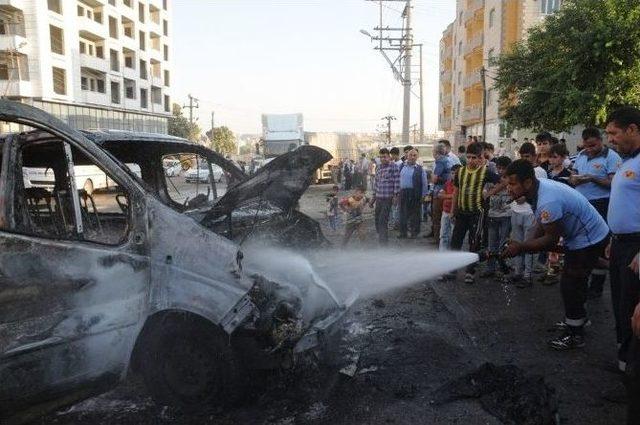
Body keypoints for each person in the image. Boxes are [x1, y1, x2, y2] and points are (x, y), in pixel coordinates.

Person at [502, 160, 609, 350]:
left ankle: (575, 335)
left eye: (512, 184)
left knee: (570, 284)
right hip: (580, 236)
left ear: (527, 182)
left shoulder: (547, 200)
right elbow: (539, 225)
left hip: (588, 237)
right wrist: (525, 244)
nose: (508, 189)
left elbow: (551, 239)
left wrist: (521, 247)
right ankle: (578, 319)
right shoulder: (537, 192)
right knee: (578, 276)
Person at [601, 107, 640, 383]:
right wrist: (613, 239)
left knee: (632, 308)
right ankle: (624, 362)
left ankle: (632, 374)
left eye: (614, 133)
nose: (610, 140)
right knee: (619, 304)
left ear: (632, 130)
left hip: (636, 247)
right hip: (620, 244)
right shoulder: (627, 161)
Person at [570, 127, 622, 299]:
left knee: (599, 245)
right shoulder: (581, 155)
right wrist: (573, 179)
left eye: (593, 145)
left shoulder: (612, 157)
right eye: (587, 145)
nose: (590, 149)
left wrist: (592, 178)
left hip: (601, 204)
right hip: (582, 204)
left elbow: (613, 184)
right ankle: (582, 281)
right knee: (583, 244)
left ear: (600, 140)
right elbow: (574, 174)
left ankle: (597, 287)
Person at [450, 142, 502, 284]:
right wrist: (452, 210)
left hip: (477, 214)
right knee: (455, 241)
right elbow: (456, 191)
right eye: (469, 157)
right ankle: (451, 270)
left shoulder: (485, 172)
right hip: (461, 212)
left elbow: (503, 182)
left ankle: (470, 271)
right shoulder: (460, 171)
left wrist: (489, 193)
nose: (471, 160)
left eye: (474, 157)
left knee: (474, 243)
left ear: (480, 158)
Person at [510, 142, 548, 286]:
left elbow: (539, 192)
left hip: (530, 213)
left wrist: (525, 197)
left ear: (534, 156)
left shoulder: (539, 172)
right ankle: (518, 272)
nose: (525, 159)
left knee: (529, 244)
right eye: (522, 156)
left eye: (527, 156)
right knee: (516, 242)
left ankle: (528, 275)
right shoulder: (517, 170)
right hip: (516, 211)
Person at [481, 156, 512, 278]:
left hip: (506, 215)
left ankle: (502, 268)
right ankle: (490, 268)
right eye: (498, 168)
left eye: (503, 168)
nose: (500, 171)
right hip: (492, 215)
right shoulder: (492, 179)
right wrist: (488, 192)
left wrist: (492, 191)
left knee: (503, 244)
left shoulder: (511, 180)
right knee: (491, 243)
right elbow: (484, 193)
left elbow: (508, 188)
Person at [369, 148, 400, 245]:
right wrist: (373, 199)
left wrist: (395, 196)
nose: (383, 159)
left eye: (385, 157)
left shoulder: (393, 167)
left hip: (388, 198)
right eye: (381, 157)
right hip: (379, 198)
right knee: (377, 219)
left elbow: (397, 182)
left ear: (389, 156)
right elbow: (376, 184)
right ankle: (381, 236)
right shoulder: (378, 168)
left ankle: (383, 244)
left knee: (383, 219)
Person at [398, 148, 428, 239]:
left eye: (415, 155)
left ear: (417, 157)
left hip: (415, 193)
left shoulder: (420, 169)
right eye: (411, 155)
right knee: (403, 213)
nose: (412, 157)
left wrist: (424, 195)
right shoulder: (401, 166)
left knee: (415, 214)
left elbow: (424, 183)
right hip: (403, 193)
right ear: (407, 156)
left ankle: (414, 233)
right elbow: (397, 180)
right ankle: (403, 233)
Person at [431, 143, 452, 246]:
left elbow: (434, 179)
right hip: (447, 191)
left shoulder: (440, 161)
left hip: (439, 193)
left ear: (436, 152)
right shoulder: (448, 160)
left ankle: (438, 241)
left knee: (437, 217)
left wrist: (434, 178)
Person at [438, 163, 461, 252]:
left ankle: (452, 255)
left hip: (455, 213)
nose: (453, 175)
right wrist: (453, 196)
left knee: (453, 236)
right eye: (452, 173)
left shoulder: (462, 185)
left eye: (456, 173)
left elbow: (459, 197)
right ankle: (442, 254)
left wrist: (447, 196)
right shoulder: (447, 183)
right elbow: (440, 195)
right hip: (445, 211)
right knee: (443, 234)